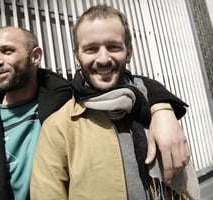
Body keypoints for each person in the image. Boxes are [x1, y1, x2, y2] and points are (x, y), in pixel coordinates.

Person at [0, 26, 188, 200]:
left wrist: (162, 108)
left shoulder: (65, 99)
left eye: (7, 51)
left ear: (35, 56)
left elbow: (122, 84)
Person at [30, 5, 194, 199]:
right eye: (91, 49)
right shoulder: (58, 128)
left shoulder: (156, 109)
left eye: (113, 47)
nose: (103, 59)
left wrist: (162, 108)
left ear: (129, 52)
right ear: (77, 57)